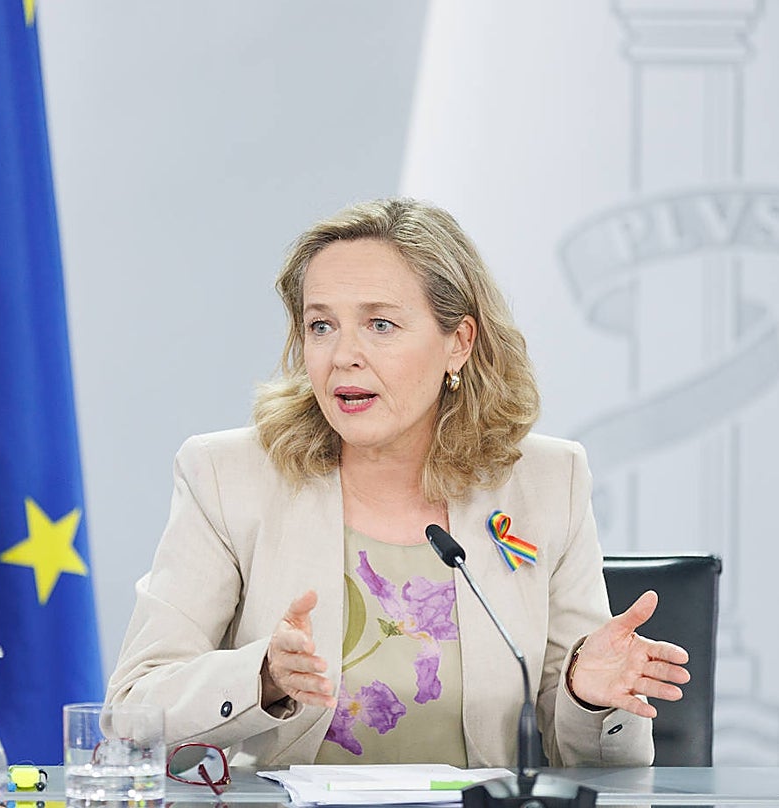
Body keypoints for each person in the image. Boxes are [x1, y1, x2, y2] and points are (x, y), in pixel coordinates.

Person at [105, 198, 690, 768]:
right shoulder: (228, 476)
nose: (343, 355)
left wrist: (588, 699)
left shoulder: (546, 482)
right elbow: (132, 712)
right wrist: (261, 676)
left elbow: (596, 765)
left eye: (380, 324)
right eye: (321, 325)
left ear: (459, 342)